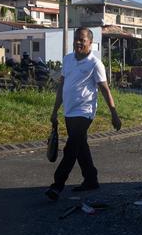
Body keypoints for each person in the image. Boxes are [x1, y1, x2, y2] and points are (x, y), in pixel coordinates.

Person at [45, 27, 121, 201]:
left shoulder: (95, 64)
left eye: (82, 40)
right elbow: (62, 86)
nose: (78, 42)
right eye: (76, 39)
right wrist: (55, 111)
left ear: (90, 42)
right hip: (69, 111)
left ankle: (57, 185)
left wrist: (114, 114)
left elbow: (104, 89)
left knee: (71, 148)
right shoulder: (68, 59)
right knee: (80, 146)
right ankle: (91, 179)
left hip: (85, 111)